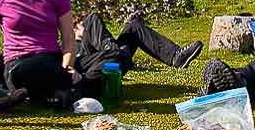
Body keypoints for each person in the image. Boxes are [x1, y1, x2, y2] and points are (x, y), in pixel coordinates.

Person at [71, 11, 203, 96]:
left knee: (133, 27)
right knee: (93, 18)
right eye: (82, 25)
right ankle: (113, 51)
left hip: (111, 63)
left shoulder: (91, 40)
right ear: (73, 28)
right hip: (97, 74)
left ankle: (175, 57)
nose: (86, 28)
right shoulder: (67, 47)